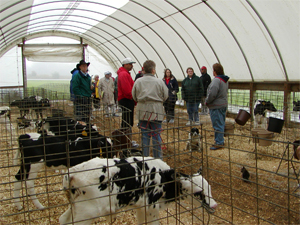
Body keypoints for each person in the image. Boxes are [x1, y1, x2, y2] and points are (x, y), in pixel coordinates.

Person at [132, 60, 168, 159]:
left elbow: (134, 96)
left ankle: (145, 158)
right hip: (156, 110)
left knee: (145, 135)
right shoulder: (159, 81)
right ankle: (158, 159)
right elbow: (165, 95)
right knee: (156, 136)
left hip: (142, 110)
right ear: (153, 70)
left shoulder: (138, 81)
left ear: (144, 69)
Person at [205, 63, 230, 150]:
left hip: (216, 105)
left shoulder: (216, 80)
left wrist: (207, 101)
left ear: (215, 71)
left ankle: (219, 142)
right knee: (221, 123)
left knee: (217, 124)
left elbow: (213, 93)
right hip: (223, 104)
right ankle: (220, 140)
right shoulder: (224, 80)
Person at [117, 57, 136, 128]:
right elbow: (127, 90)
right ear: (125, 64)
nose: (132, 66)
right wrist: (132, 97)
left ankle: (126, 135)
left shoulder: (124, 73)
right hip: (126, 99)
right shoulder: (124, 74)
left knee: (127, 119)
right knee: (127, 120)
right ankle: (126, 135)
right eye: (130, 64)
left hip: (126, 98)